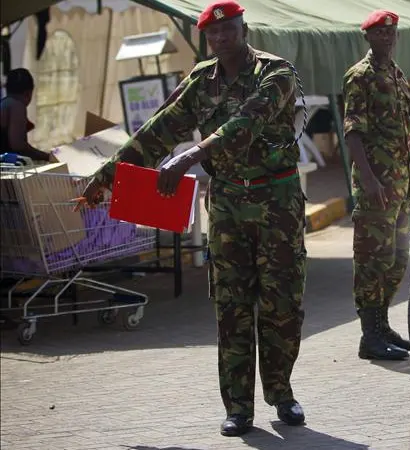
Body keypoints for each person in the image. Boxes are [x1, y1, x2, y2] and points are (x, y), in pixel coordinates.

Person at [74, 0, 308, 437]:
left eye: (229, 30)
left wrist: (192, 155)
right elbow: (157, 132)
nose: (222, 39)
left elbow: (248, 121)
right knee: (232, 306)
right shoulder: (201, 80)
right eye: (213, 34)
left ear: (244, 28)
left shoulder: (276, 72)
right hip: (227, 207)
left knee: (283, 306)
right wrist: (105, 178)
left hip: (278, 203)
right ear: (207, 38)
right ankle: (239, 407)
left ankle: (282, 392)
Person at [342, 9, 410, 361]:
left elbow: (403, 134)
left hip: (399, 183)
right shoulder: (359, 76)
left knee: (396, 259)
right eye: (379, 33)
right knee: (371, 260)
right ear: (368, 37)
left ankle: (381, 325)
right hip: (375, 184)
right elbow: (353, 132)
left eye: (391, 33)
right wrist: (369, 178)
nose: (387, 38)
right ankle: (369, 335)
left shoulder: (396, 74)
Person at [0, 68, 54, 162]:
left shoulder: (5, 103)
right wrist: (48, 157)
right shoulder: (17, 106)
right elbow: (18, 145)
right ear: (28, 93)